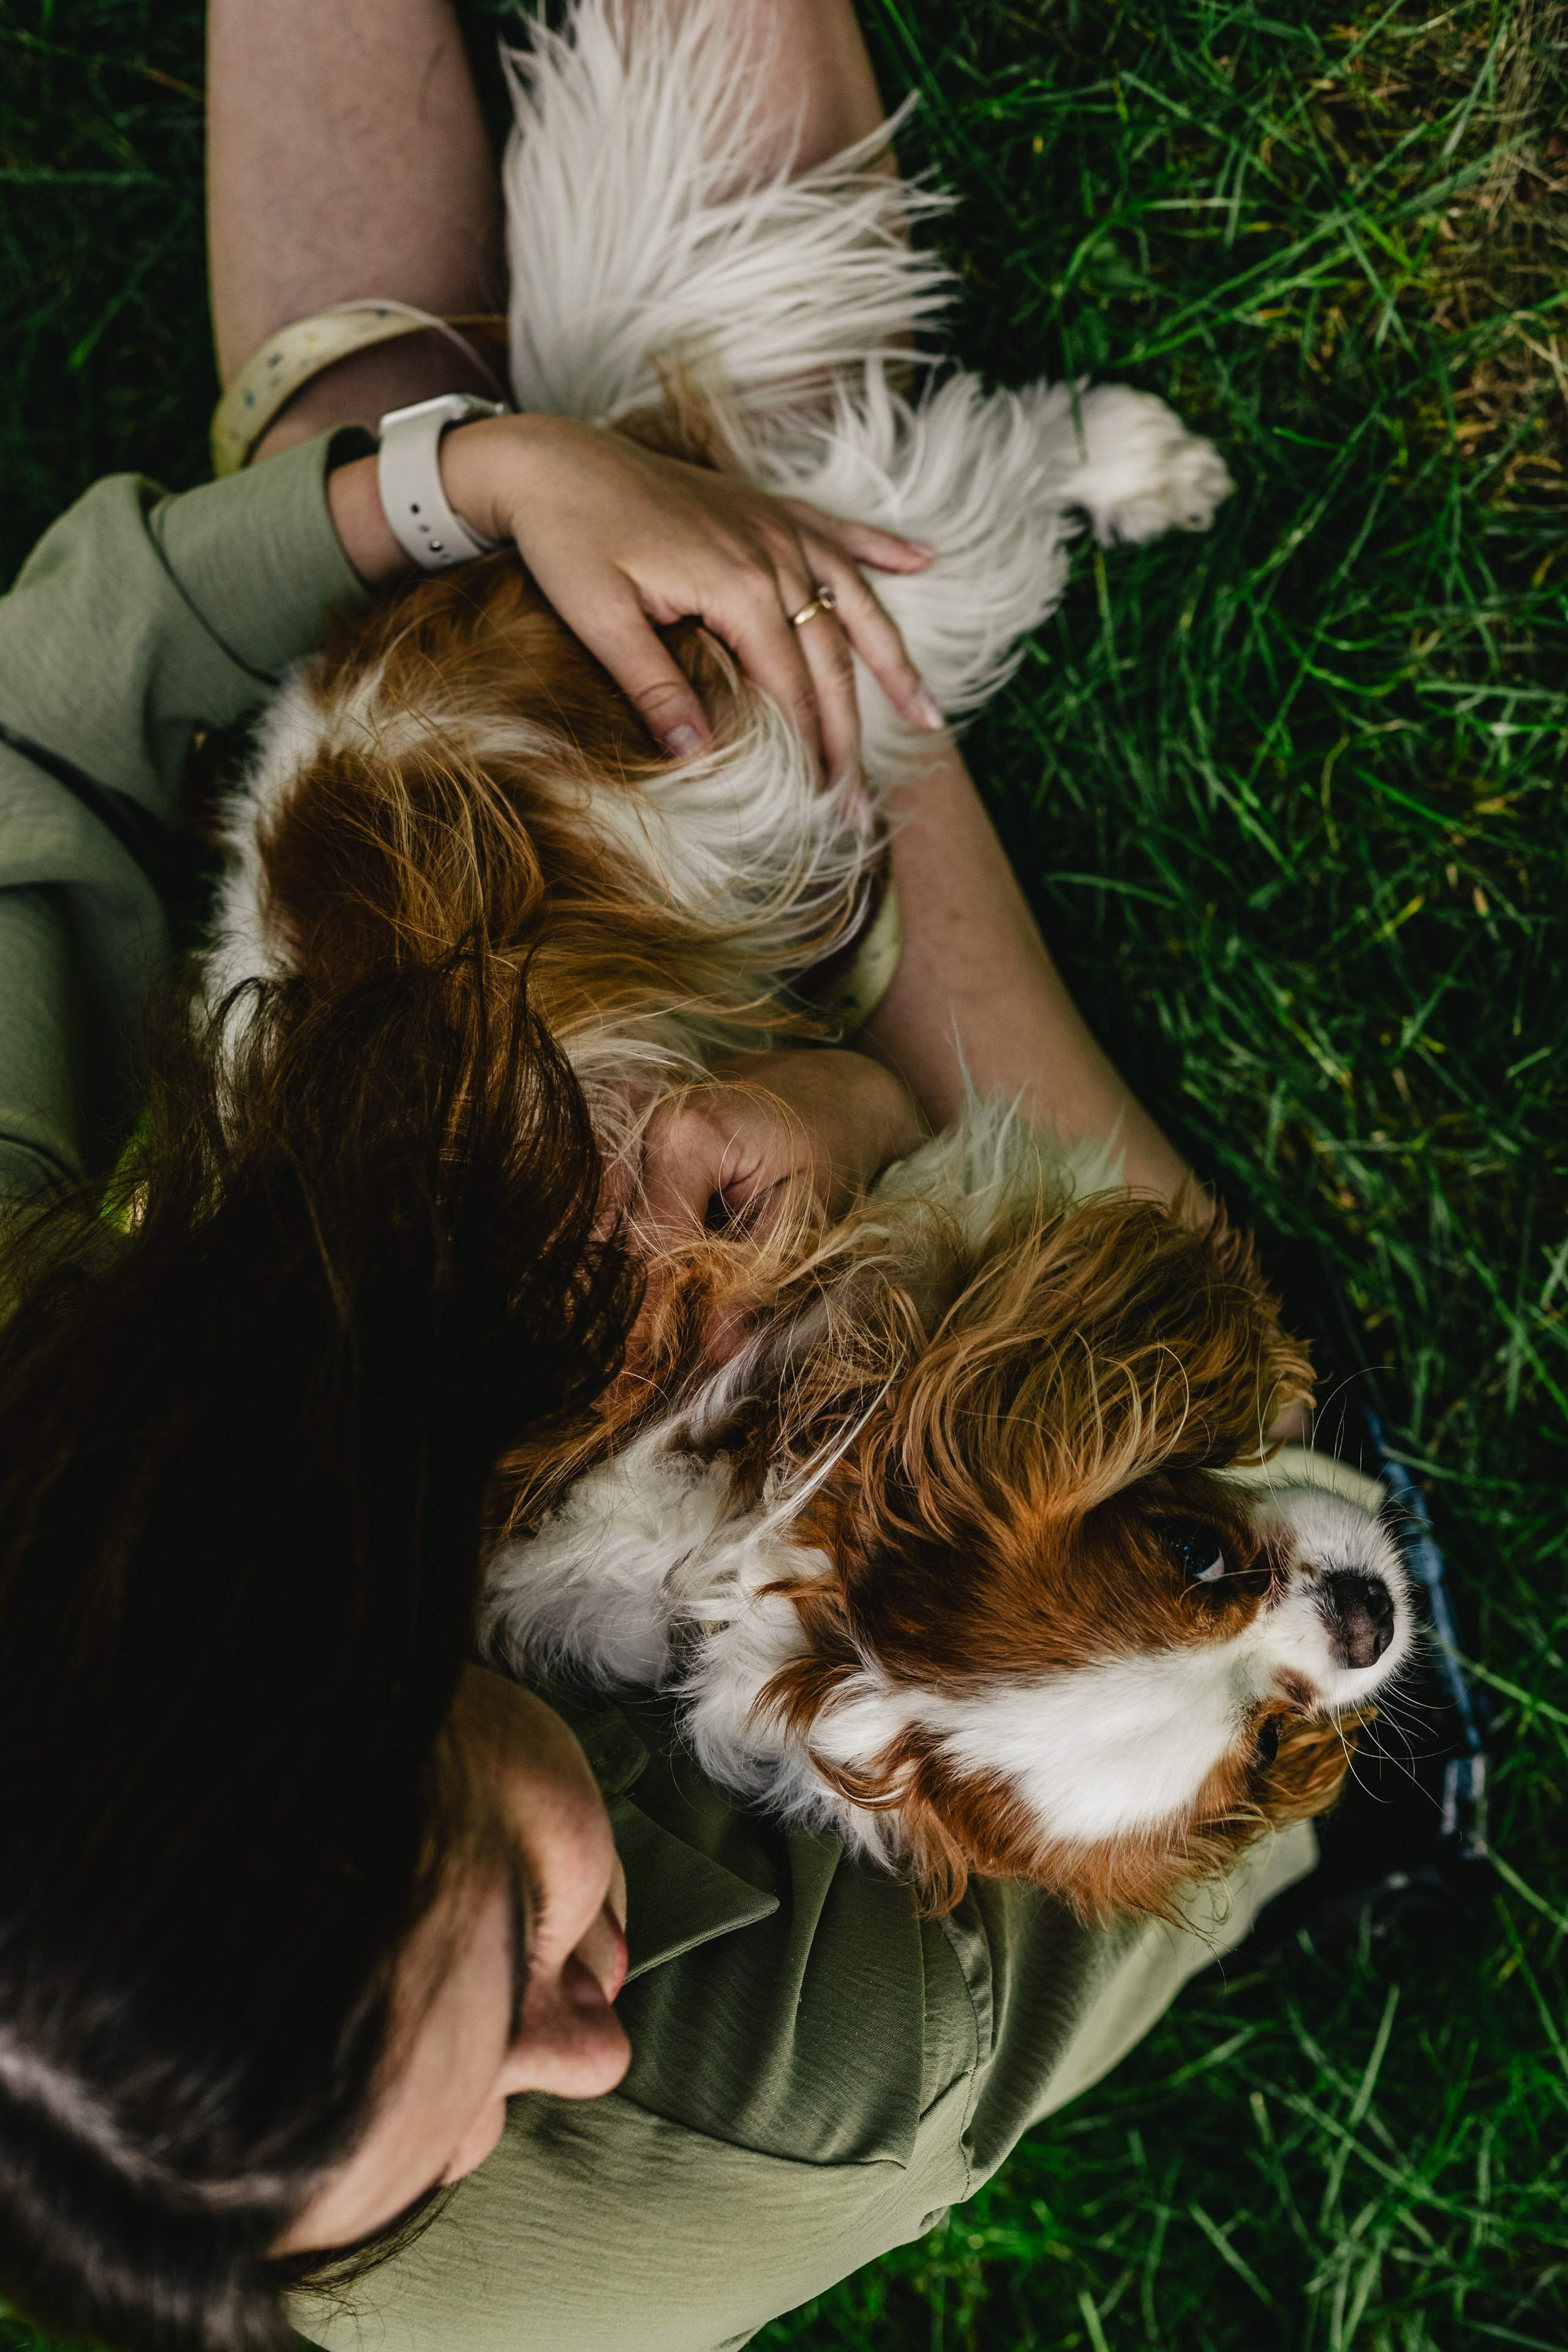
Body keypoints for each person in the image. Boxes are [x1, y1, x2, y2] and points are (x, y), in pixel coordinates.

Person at [0, 5, 1316, 2350]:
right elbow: (1247, 1688)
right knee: (762, 560)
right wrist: (863, 1072)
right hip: (1141, 1434)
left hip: (488, 1013)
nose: (580, 2045)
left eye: (507, 1955)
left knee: (378, 495)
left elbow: (50, 716)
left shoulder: (44, 1425)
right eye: (469, 2142)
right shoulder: (757, 2109)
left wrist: (468, 486)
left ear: (318, 1658)